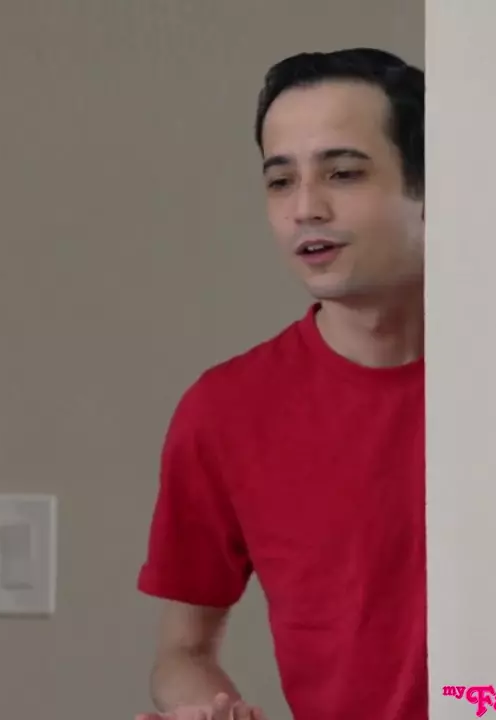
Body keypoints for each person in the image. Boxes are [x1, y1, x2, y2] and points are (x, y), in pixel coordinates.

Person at [134, 48, 427, 720]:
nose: (305, 208)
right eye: (280, 181)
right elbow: (182, 652)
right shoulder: (225, 411)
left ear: (429, 186)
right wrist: (205, 709)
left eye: (343, 173)